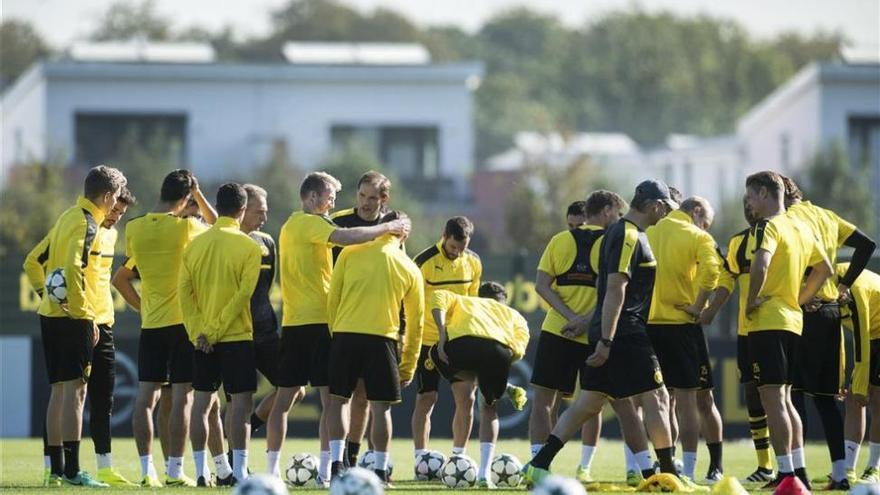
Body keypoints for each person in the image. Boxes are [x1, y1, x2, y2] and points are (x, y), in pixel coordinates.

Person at [523, 179, 684, 488]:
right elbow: (614, 289)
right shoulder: (626, 234)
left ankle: (537, 464)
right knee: (657, 398)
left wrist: (600, 334)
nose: (666, 215)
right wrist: (607, 340)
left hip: (611, 330)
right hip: (626, 332)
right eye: (666, 209)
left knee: (588, 402)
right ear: (655, 206)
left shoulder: (618, 232)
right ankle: (667, 475)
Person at [265, 172, 410, 485]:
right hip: (322, 321)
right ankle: (328, 470)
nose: (333, 202)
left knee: (285, 401)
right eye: (330, 196)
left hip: (293, 321)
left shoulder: (290, 224)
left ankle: (274, 471)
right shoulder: (314, 223)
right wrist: (388, 228)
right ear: (314, 197)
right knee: (332, 401)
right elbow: (346, 238)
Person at [530, 190, 647, 486]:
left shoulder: (560, 240)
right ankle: (634, 468)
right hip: (598, 333)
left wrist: (569, 317)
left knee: (544, 400)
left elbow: (542, 285)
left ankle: (538, 468)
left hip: (558, 329)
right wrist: (585, 320)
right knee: (616, 403)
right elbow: (614, 291)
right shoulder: (613, 241)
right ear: (607, 211)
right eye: (617, 214)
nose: (619, 220)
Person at [112, 169, 217, 487]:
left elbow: (124, 277)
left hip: (153, 324)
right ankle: (174, 470)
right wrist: (199, 195)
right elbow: (220, 225)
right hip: (184, 323)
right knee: (183, 399)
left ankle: (147, 471)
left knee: (146, 398)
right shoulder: (187, 227)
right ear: (186, 198)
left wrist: (144, 307)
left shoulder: (134, 227)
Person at [26, 187, 137, 487]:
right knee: (70, 393)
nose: (116, 215)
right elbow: (34, 262)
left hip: (103, 321)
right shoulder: (81, 225)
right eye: (115, 208)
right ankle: (59, 469)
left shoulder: (110, 234)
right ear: (106, 200)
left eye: (121, 213)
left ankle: (100, 467)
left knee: (101, 399)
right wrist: (49, 296)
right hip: (82, 320)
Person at [780, 176, 876, 490]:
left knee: (792, 396)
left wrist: (801, 296)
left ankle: (798, 474)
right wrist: (844, 284)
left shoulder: (786, 219)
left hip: (806, 310)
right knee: (826, 400)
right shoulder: (826, 215)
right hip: (830, 314)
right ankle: (841, 474)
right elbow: (867, 244)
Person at [742, 170, 833, 489]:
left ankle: (784, 474)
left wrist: (752, 301)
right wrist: (799, 298)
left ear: (765, 193)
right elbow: (825, 269)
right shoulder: (800, 227)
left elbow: (761, 263)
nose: (749, 203)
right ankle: (798, 470)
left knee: (772, 400)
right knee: (785, 399)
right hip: (793, 322)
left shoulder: (767, 226)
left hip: (768, 321)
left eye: (752, 196)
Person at [325, 211, 424, 486]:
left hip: (345, 334)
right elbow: (416, 323)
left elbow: (333, 299)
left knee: (338, 402)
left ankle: (336, 466)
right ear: (404, 234)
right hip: (382, 339)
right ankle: (379, 471)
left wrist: (337, 332)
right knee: (381, 409)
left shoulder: (349, 253)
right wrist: (409, 365)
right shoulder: (409, 267)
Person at [179, 183, 262, 487]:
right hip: (236, 336)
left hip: (201, 340)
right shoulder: (250, 247)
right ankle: (239, 472)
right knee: (240, 404)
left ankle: (203, 472)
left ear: (217, 205)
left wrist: (197, 332)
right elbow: (243, 296)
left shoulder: (194, 246)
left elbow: (184, 295)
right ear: (242, 211)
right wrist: (213, 332)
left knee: (201, 405)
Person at [645, 196, 725, 483]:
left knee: (659, 401)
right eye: (706, 222)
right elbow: (713, 272)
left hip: (648, 326)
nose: (706, 227)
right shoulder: (697, 236)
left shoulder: (649, 230)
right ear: (696, 211)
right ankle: (690, 471)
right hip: (682, 325)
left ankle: (667, 467)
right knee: (692, 401)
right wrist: (699, 305)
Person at [701, 198, 775, 482]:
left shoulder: (784, 233)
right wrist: (710, 311)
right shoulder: (737, 242)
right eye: (743, 203)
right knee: (752, 393)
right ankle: (765, 466)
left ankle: (792, 468)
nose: (747, 207)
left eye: (751, 201)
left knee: (782, 397)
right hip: (747, 331)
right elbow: (727, 279)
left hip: (779, 327)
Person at [430, 282, 530, 488]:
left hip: (463, 346)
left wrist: (441, 335)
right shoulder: (513, 314)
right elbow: (520, 346)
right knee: (489, 408)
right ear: (504, 301)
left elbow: (438, 297)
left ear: (479, 296)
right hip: (497, 350)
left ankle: (458, 458)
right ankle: (485, 475)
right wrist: (497, 374)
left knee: (437, 357)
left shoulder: (465, 300)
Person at [411, 216, 493, 462]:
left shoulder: (474, 262)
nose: (457, 252)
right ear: (444, 236)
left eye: (462, 248)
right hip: (428, 339)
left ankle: (458, 458)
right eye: (453, 247)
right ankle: (420, 458)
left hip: (459, 340)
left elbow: (473, 303)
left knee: (466, 397)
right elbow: (411, 302)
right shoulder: (423, 262)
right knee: (427, 398)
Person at [329, 171, 394, 465]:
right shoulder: (339, 222)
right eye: (362, 196)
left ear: (384, 199)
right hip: (340, 321)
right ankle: (332, 463)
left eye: (372, 198)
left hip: (378, 324)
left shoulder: (393, 228)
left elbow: (397, 274)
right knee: (335, 396)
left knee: (365, 396)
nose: (365, 203)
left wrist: (401, 326)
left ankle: (352, 460)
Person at [839, 264, 880, 483]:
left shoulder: (853, 288)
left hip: (874, 333)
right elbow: (835, 340)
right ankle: (848, 469)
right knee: (853, 401)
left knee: (875, 399)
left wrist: (861, 386)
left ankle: (874, 467)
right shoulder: (821, 288)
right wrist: (839, 379)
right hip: (871, 336)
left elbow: (861, 340)